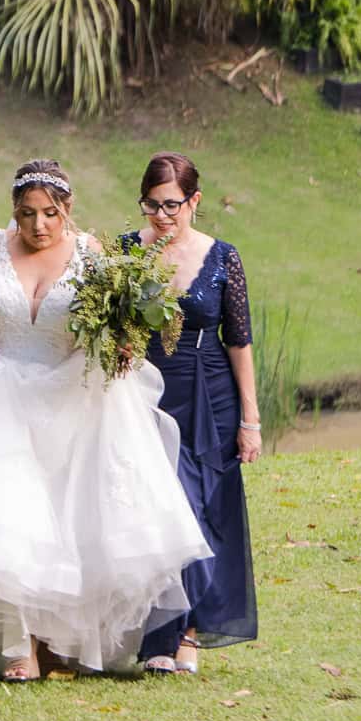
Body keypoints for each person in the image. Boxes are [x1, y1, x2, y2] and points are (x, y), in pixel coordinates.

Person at [0, 160, 210, 681]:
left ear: (67, 211)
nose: (38, 226)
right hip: (2, 395)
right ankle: (15, 646)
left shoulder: (92, 255)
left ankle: (57, 642)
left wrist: (120, 343)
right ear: (14, 212)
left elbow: (119, 319)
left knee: (67, 519)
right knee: (5, 519)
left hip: (72, 397)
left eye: (50, 214)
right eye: (27, 214)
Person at [126, 153, 259, 676]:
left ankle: (187, 630)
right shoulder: (124, 253)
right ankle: (160, 628)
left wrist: (250, 419)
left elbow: (240, 340)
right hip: (146, 390)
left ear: (195, 201)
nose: (162, 216)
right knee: (158, 506)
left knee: (201, 507)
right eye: (152, 205)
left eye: (172, 205)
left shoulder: (222, 257)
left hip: (211, 393)